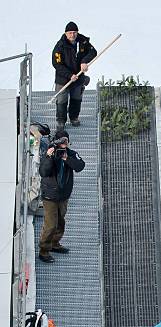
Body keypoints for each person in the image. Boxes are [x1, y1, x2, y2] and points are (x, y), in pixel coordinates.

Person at [39, 130, 85, 263]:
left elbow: (80, 166)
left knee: (60, 221)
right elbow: (44, 172)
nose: (64, 144)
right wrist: (49, 157)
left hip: (63, 196)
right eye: (61, 142)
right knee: (50, 225)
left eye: (66, 141)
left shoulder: (70, 154)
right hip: (50, 196)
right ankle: (43, 251)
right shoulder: (49, 153)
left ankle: (54, 243)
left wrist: (67, 158)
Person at [52, 22, 97, 129]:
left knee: (76, 98)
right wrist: (69, 75)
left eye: (75, 32)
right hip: (63, 79)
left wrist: (84, 61)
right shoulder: (60, 46)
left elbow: (93, 52)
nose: (73, 35)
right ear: (66, 33)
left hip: (79, 76)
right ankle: (61, 121)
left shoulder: (83, 41)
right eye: (70, 33)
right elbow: (56, 64)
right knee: (62, 100)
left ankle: (74, 117)